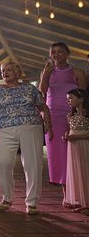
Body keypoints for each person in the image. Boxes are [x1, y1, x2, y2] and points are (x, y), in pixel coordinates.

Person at [0, 61, 52, 215]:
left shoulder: (29, 88)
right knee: (3, 162)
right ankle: (7, 198)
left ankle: (32, 202)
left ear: (18, 72)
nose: (5, 73)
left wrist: (48, 122)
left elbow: (43, 106)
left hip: (31, 126)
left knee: (32, 163)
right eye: (3, 71)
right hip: (4, 129)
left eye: (9, 70)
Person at [39, 42, 86, 187]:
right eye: (53, 52)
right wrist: (45, 75)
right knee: (55, 146)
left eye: (60, 51)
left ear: (67, 54)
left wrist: (82, 114)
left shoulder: (77, 72)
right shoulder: (46, 72)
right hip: (53, 114)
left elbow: (83, 94)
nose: (56, 54)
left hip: (72, 113)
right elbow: (42, 91)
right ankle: (61, 180)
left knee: (73, 145)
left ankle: (76, 179)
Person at [63, 89, 89, 214]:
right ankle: (81, 201)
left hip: (84, 145)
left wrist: (76, 137)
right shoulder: (70, 116)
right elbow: (71, 131)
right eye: (67, 98)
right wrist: (66, 136)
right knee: (77, 171)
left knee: (86, 172)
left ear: (81, 99)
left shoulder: (87, 114)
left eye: (71, 98)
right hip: (73, 147)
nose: (68, 101)